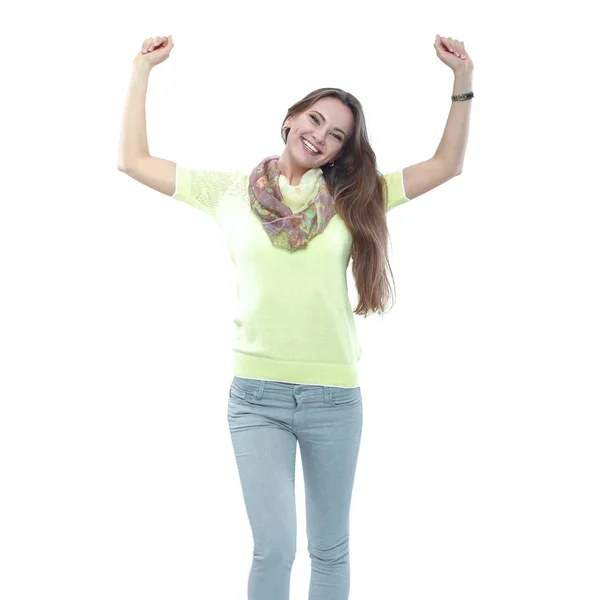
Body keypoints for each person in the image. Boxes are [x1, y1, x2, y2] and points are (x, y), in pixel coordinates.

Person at [118, 34, 473, 600]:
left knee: (329, 551)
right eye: (314, 120)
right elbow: (132, 161)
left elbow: (447, 165)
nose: (320, 136)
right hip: (256, 398)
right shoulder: (227, 192)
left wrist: (462, 82)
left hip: (334, 396)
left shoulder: (357, 197)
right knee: (276, 546)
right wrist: (142, 70)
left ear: (340, 152)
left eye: (336, 136)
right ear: (289, 120)